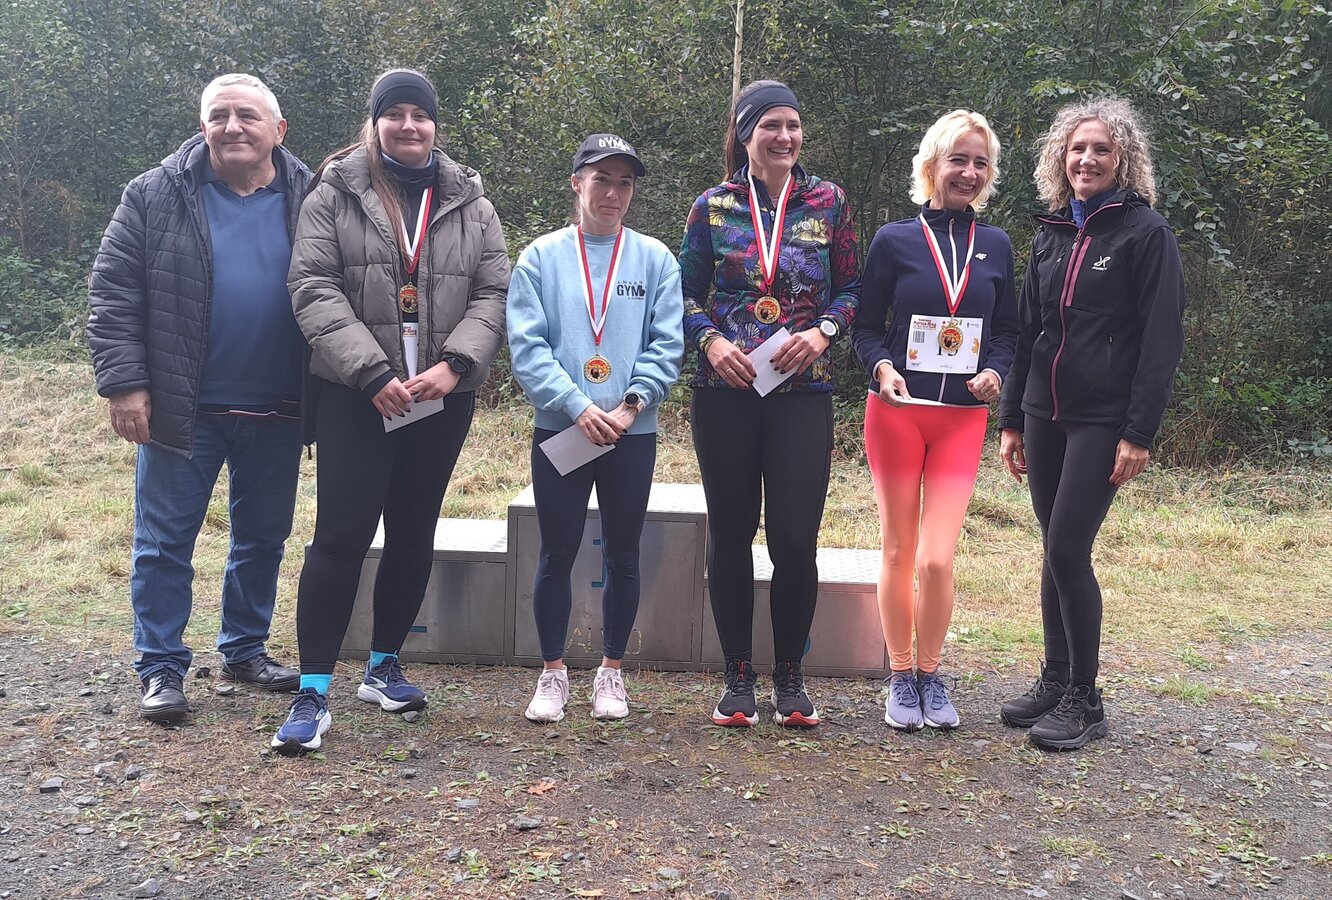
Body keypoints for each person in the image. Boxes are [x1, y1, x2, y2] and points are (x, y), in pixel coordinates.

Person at [272, 69, 509, 754]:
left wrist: (455, 365)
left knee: (413, 530)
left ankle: (383, 667)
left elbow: (493, 292)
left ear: (435, 124)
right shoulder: (334, 192)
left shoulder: (471, 200)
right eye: (395, 114)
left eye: (420, 114)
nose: (409, 125)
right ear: (374, 123)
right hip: (357, 396)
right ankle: (313, 691)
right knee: (341, 536)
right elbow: (312, 286)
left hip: (438, 397)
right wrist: (371, 371)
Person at [87, 74, 310, 724]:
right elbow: (112, 292)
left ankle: (244, 649)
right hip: (180, 406)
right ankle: (160, 667)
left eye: (247, 115)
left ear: (278, 130)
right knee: (163, 544)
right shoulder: (153, 194)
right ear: (203, 126)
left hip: (281, 405)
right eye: (219, 115)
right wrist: (125, 383)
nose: (232, 126)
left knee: (263, 539)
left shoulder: (314, 196)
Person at [998, 97, 1185, 750]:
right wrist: (1012, 418)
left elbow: (1161, 341)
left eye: (1101, 149)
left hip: (1102, 419)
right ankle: (1055, 679)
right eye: (1077, 148)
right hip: (1043, 414)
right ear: (1061, 157)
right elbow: (1028, 330)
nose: (1087, 159)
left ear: (1123, 160)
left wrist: (1140, 431)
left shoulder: (1146, 235)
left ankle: (1087, 698)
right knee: (1052, 547)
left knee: (1068, 549)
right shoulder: (1052, 232)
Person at [678, 80, 861, 728]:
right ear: (745, 134)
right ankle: (737, 676)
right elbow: (684, 293)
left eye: (793, 124)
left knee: (793, 536)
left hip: (801, 396)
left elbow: (854, 288)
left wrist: (823, 332)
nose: (785, 137)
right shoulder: (713, 206)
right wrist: (710, 341)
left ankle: (789, 675)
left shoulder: (829, 203)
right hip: (725, 393)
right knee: (730, 533)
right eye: (770, 126)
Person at [507, 134, 684, 723]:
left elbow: (667, 343)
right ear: (576, 183)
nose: (613, 192)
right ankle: (553, 672)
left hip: (631, 431)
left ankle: (612, 671)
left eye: (624, 182)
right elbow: (528, 346)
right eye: (601, 179)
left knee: (624, 553)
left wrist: (631, 406)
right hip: (564, 428)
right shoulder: (540, 257)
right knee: (556, 551)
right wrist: (577, 406)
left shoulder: (655, 259)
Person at [852, 110, 1018, 732]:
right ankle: (901, 675)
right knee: (899, 549)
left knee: (937, 559)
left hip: (960, 421)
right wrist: (882, 368)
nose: (969, 173)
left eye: (980, 163)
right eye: (958, 160)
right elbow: (865, 327)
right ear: (932, 165)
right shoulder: (894, 240)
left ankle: (930, 672)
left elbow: (1009, 331)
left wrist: (996, 371)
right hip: (897, 414)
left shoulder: (996, 245)